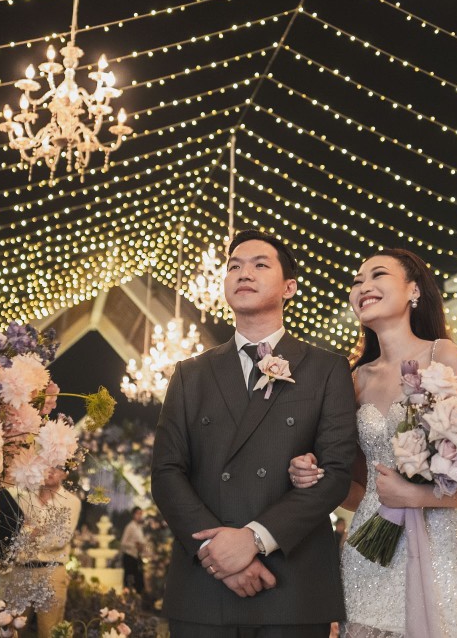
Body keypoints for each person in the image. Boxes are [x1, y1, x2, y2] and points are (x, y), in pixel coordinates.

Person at [152, 230, 358, 638]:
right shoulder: (190, 374)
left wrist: (254, 540)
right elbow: (166, 472)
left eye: (260, 264)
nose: (243, 273)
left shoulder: (326, 368)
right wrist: (217, 554)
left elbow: (336, 473)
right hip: (204, 585)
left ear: (289, 287)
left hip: (292, 583)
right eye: (234, 266)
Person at [289, 247, 457, 637]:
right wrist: (315, 475)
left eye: (378, 275)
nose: (363, 286)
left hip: (441, 549)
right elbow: (355, 490)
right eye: (357, 281)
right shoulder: (352, 379)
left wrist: (415, 494)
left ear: (414, 290)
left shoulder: (443, 355)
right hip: (370, 552)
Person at [0, 468, 81, 638]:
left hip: (52, 571)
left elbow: (60, 539)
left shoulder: (71, 501)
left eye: (57, 467)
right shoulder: (23, 496)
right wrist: (43, 530)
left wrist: (27, 531)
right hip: (21, 569)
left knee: (50, 630)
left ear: (65, 473)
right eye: (47, 466)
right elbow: (10, 530)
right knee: (10, 629)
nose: (51, 471)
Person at [121, 507, 148, 595]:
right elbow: (123, 543)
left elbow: (141, 541)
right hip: (129, 556)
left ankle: (138, 599)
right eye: (138, 513)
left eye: (141, 514)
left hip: (137, 557)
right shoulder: (130, 527)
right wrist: (135, 546)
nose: (140, 516)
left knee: (138, 581)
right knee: (129, 580)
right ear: (133, 515)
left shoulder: (139, 527)